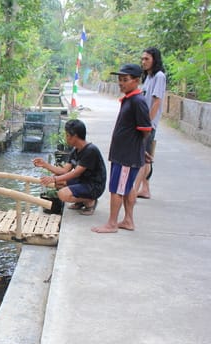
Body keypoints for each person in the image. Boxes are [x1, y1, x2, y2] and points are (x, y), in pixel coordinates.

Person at [92, 64, 152, 233]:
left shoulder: (138, 101)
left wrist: (138, 148)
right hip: (124, 153)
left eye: (125, 80)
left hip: (126, 155)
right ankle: (128, 220)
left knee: (117, 188)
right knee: (126, 188)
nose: (121, 83)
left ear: (136, 81)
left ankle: (112, 223)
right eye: (120, 79)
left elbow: (146, 129)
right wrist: (141, 150)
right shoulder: (129, 99)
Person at [33, 119, 106, 216]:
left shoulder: (90, 151)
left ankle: (90, 200)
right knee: (58, 182)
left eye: (67, 135)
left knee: (62, 194)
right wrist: (45, 165)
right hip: (83, 181)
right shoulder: (76, 150)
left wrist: (53, 178)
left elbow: (76, 173)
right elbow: (64, 170)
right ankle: (81, 201)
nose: (66, 138)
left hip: (94, 186)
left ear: (75, 136)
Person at [135, 47, 166, 199]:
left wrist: (147, 124)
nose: (144, 62)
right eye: (142, 59)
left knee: (143, 157)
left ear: (155, 59)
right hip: (143, 122)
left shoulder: (159, 76)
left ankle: (137, 189)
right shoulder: (148, 77)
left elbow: (156, 101)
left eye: (147, 59)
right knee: (144, 155)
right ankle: (145, 188)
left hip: (148, 124)